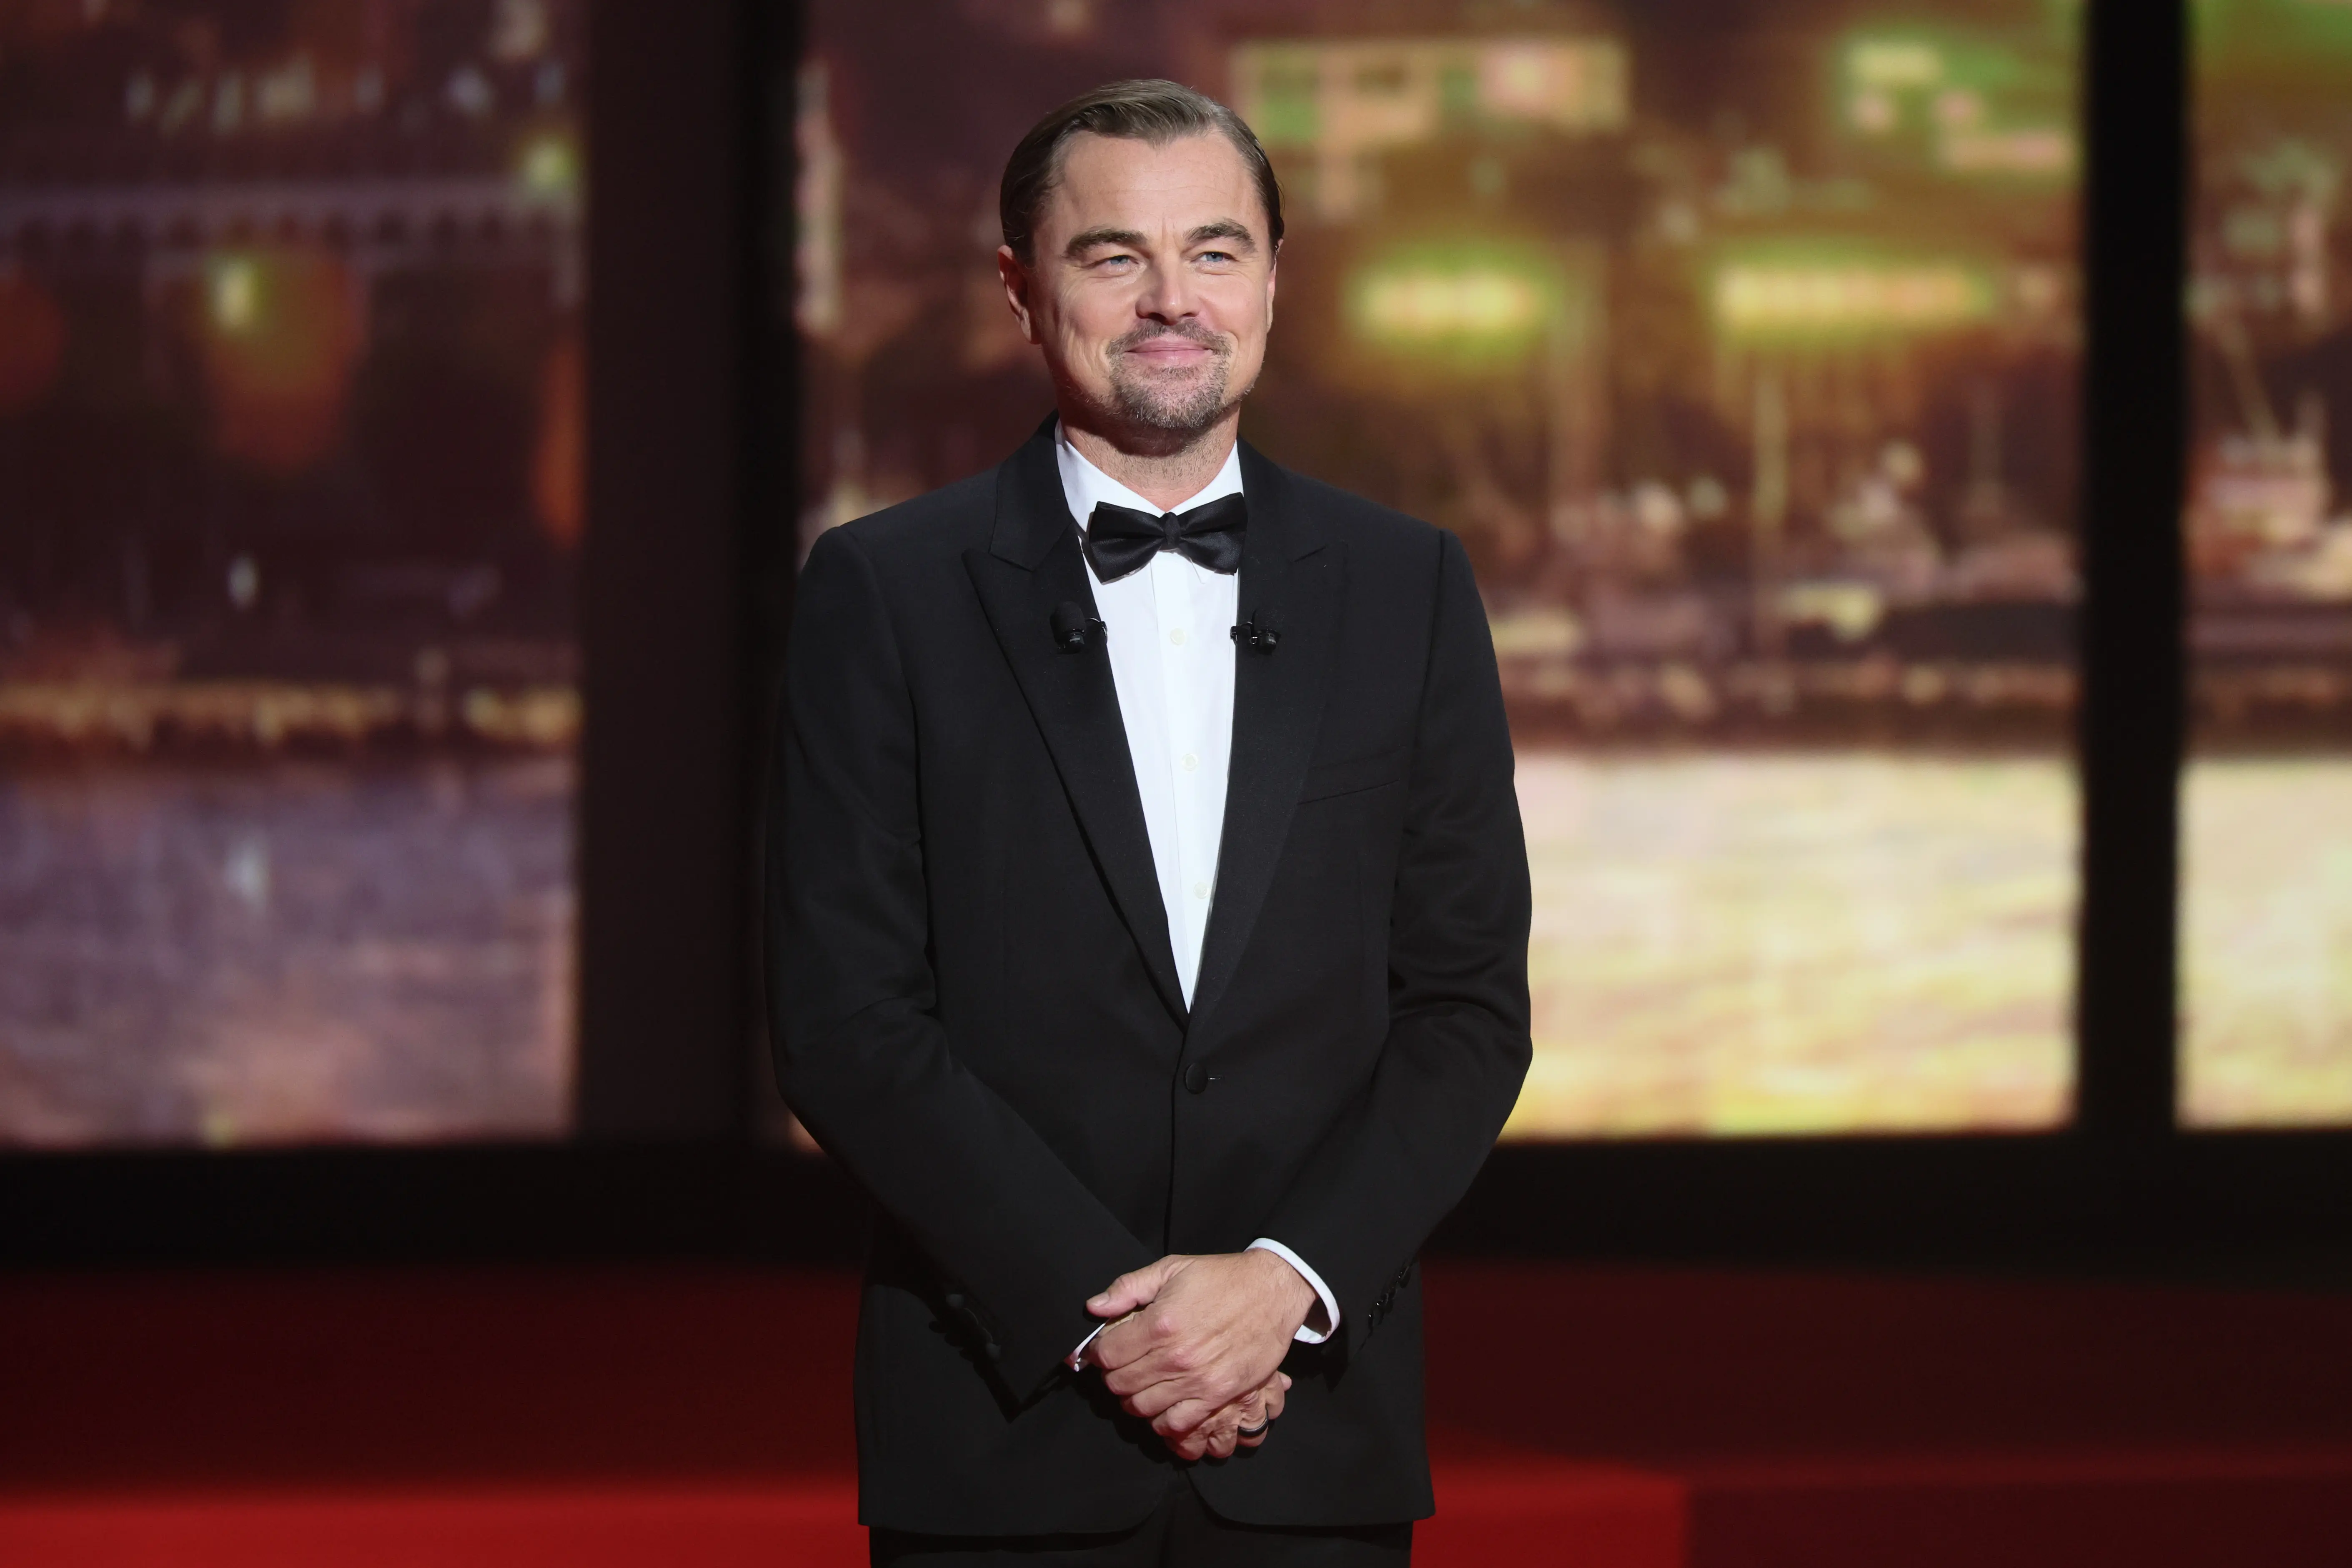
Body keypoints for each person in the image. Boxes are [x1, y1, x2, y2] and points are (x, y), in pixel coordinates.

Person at [766, 79, 1531, 1566]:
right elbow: (844, 1023)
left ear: (1273, 283)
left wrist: (1281, 1288)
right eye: (1114, 255)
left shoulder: (1410, 587)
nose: (1172, 299)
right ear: (1020, 289)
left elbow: (1466, 1010)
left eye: (1217, 252)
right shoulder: (884, 592)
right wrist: (1104, 1323)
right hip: (1004, 1433)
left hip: (1312, 1431)